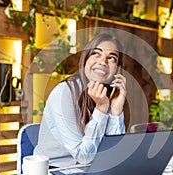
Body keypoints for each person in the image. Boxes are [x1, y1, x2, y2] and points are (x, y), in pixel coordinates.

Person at [33, 33, 126, 166]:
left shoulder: (103, 96)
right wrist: (101, 109)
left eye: (111, 58)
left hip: (87, 170)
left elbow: (114, 154)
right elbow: (84, 157)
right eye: (96, 53)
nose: (103, 62)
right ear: (85, 60)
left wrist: (116, 111)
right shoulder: (63, 94)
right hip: (53, 172)